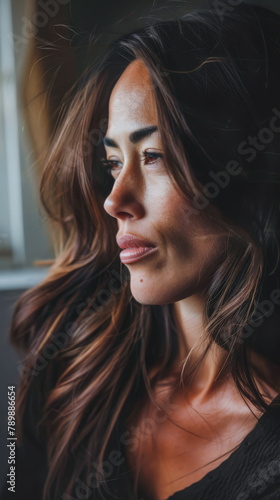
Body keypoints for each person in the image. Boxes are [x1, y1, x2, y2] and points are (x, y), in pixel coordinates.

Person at [2, 2, 280, 499]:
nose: (115, 200)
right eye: (113, 162)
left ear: (244, 170)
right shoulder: (79, 376)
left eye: (153, 156)